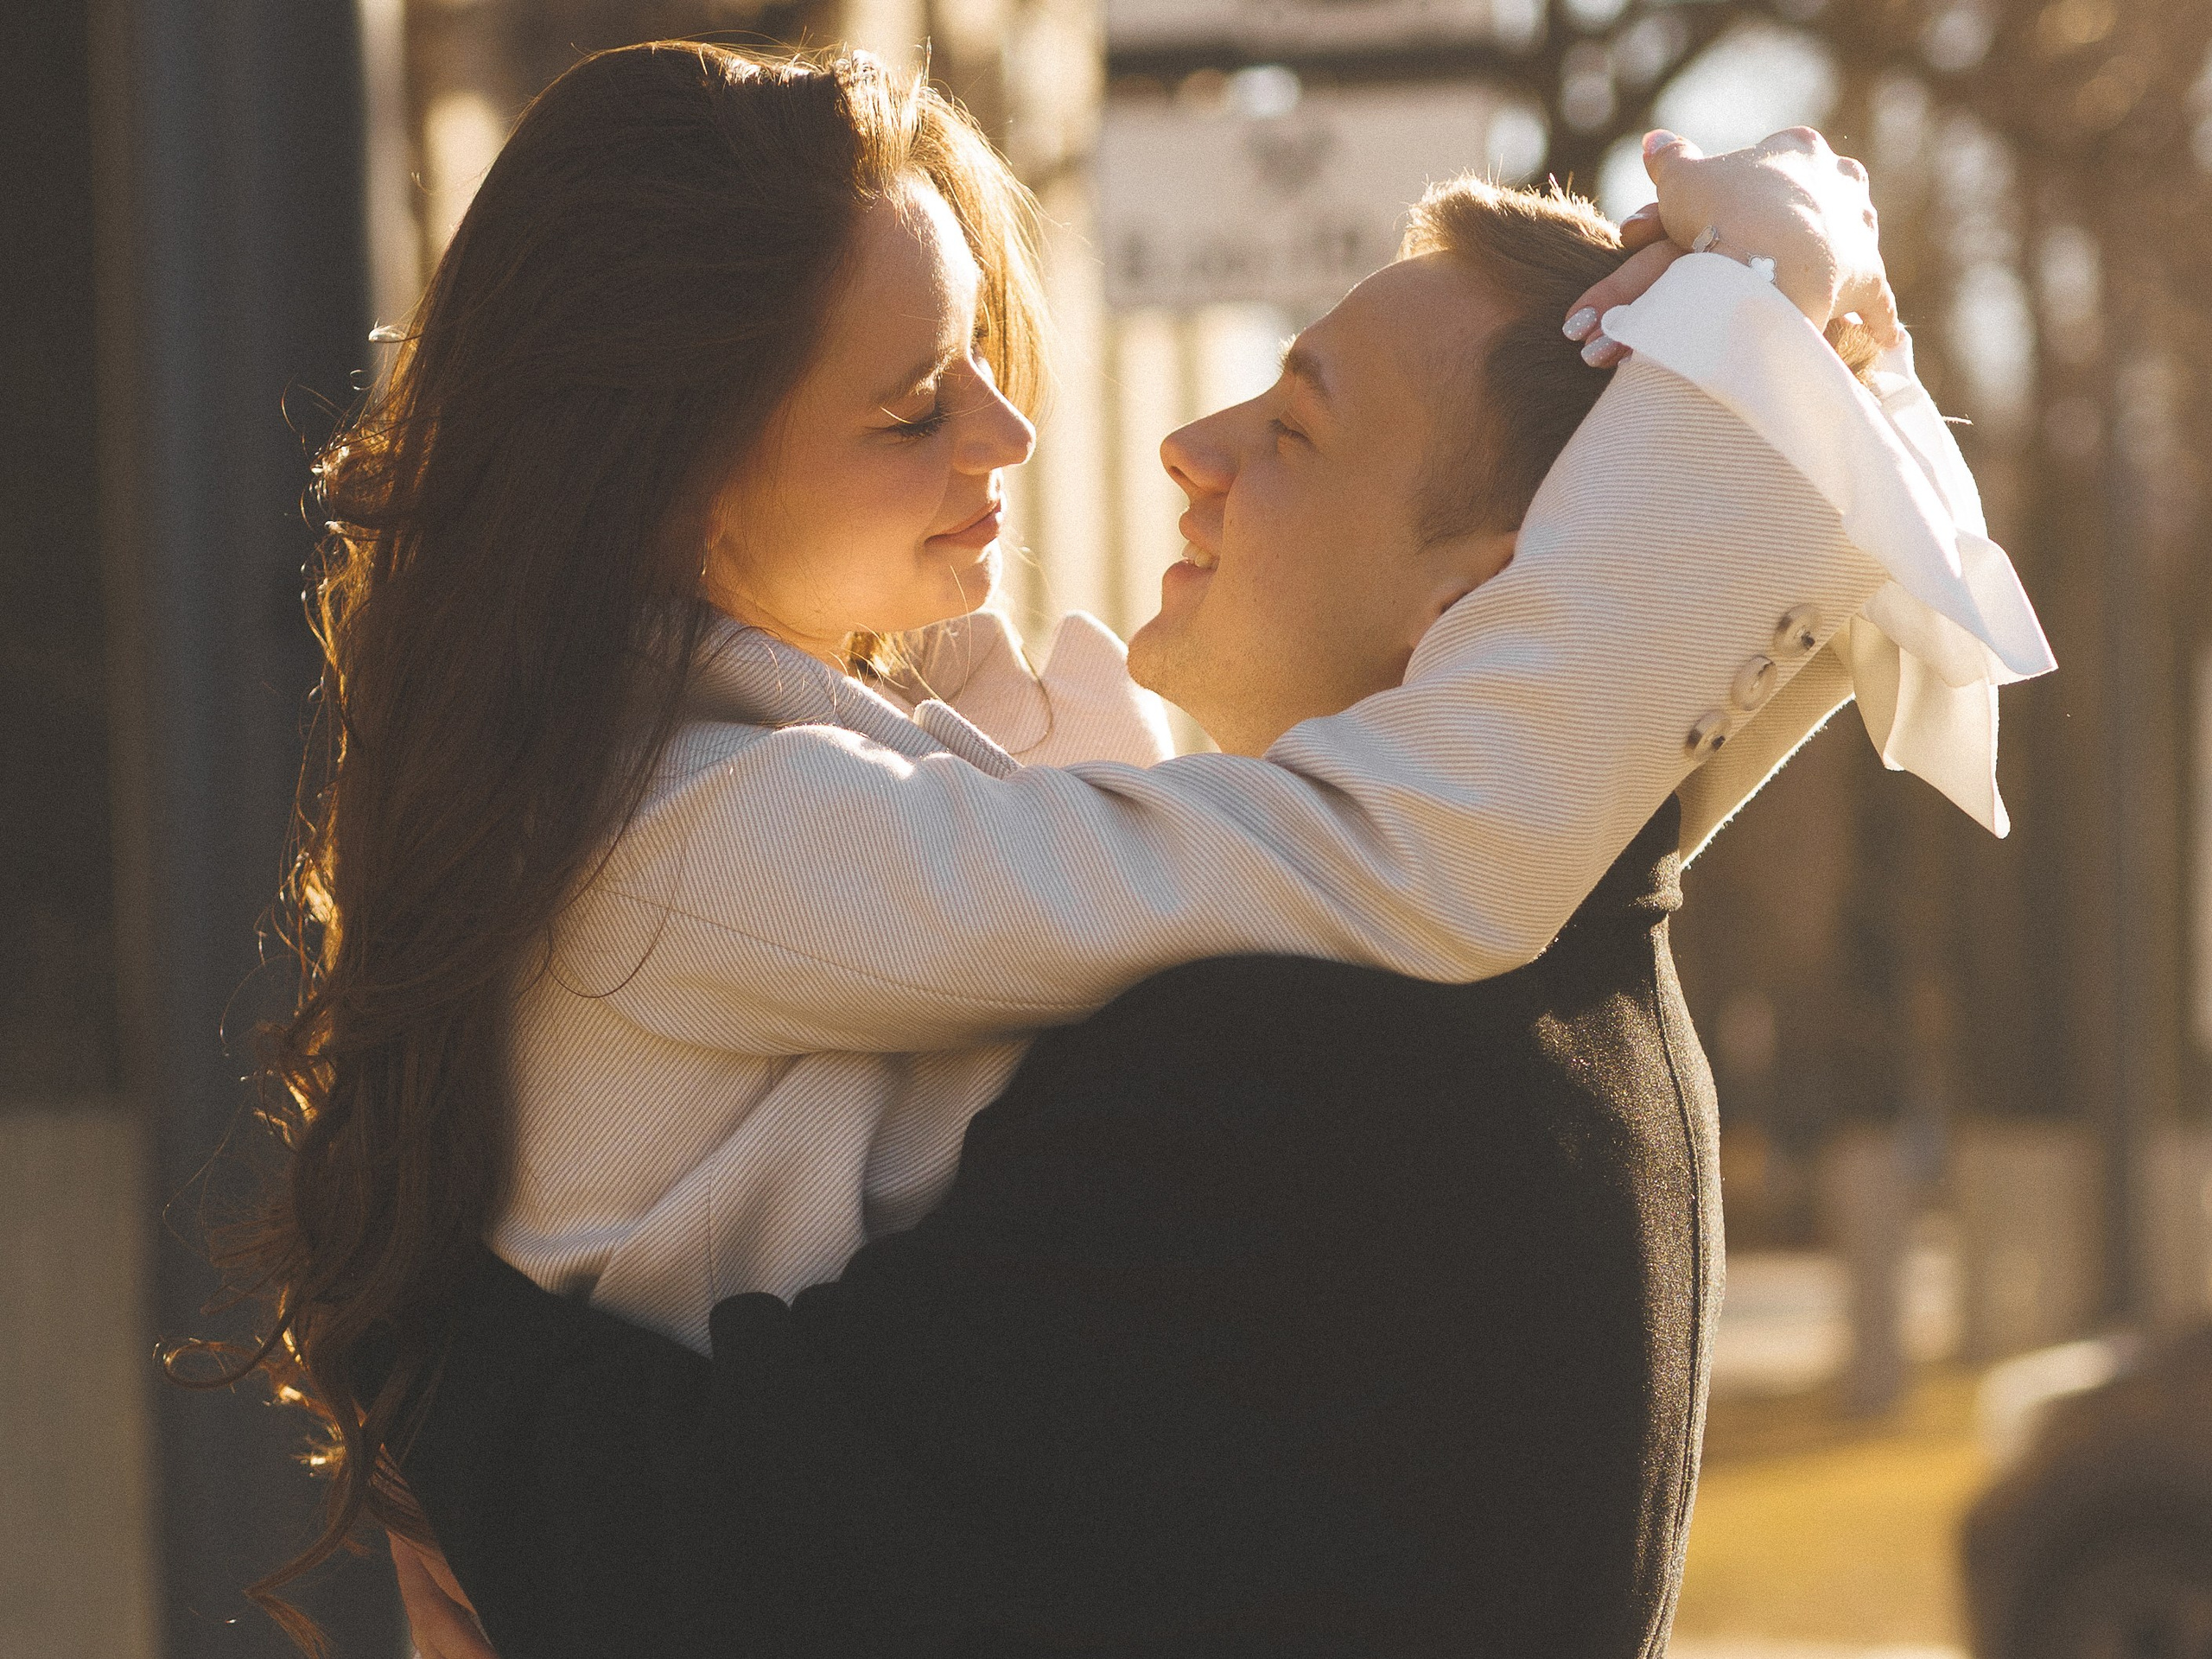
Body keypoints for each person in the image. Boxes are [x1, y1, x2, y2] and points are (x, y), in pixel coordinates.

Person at [190, 34, 2046, 1650]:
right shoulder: (702, 835)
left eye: (979, 359)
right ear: (664, 477)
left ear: (1482, 600)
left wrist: (1787, 342)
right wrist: (1785, 317)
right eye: (913, 407)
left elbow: (1499, 808)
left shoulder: (1288, 1043)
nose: (1032, 432)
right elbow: (1433, 834)